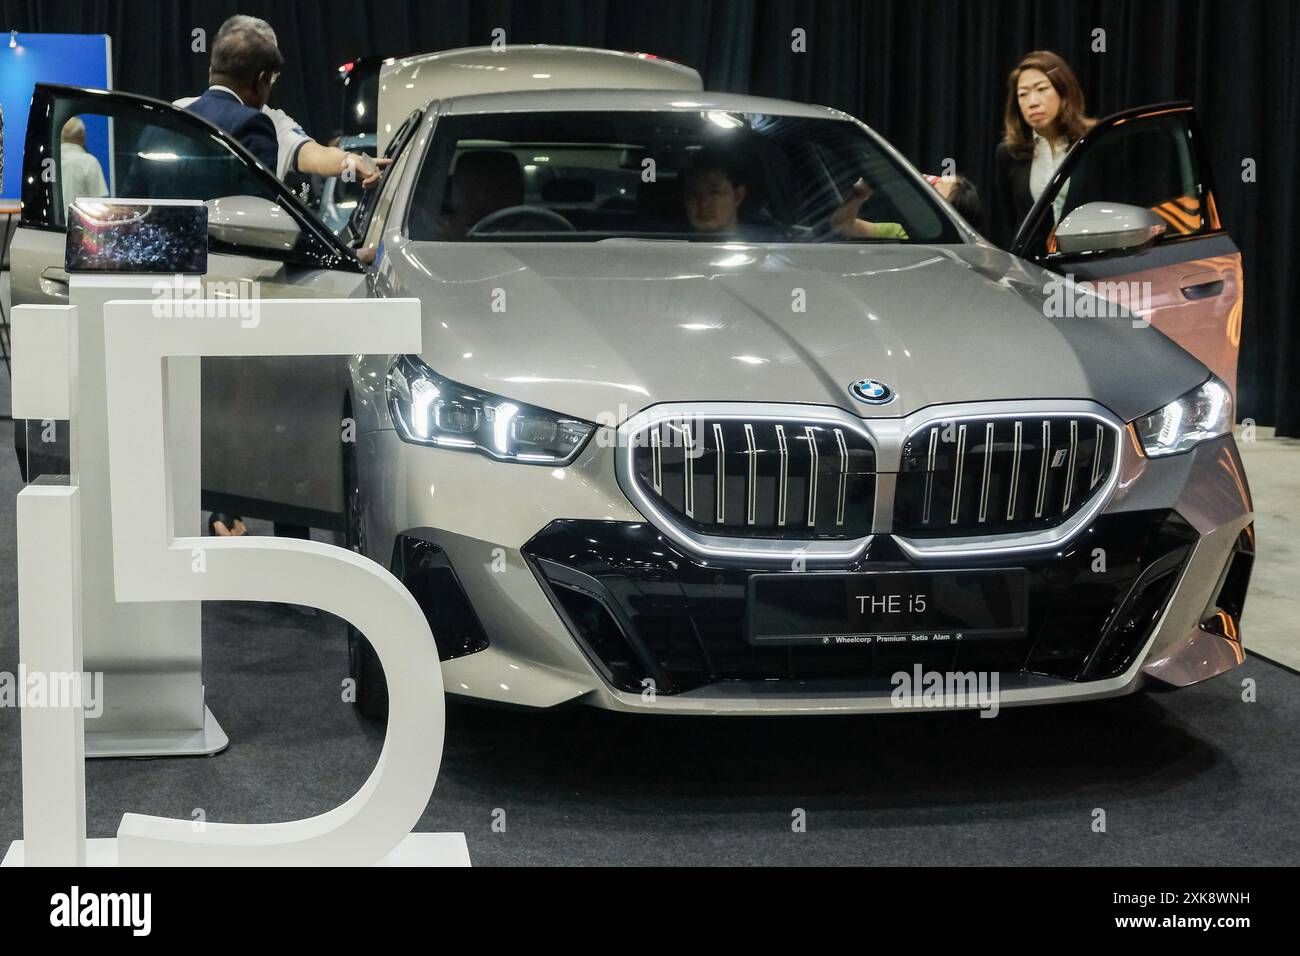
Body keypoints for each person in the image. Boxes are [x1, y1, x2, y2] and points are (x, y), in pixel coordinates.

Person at [177, 16, 384, 190]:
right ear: (263, 78)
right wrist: (356, 163)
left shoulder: (177, 112)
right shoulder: (260, 123)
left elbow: (316, 154)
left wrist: (353, 161)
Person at [992, 50, 1094, 248]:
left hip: (1090, 264)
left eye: (1041, 89)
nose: (1033, 102)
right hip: (1034, 270)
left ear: (1063, 91)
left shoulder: (1093, 142)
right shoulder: (1008, 153)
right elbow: (1010, 221)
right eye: (1023, 94)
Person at [184, 25, 282, 171]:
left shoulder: (165, 124)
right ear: (262, 80)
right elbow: (259, 193)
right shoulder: (252, 125)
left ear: (211, 73)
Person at [830, 173, 982, 239]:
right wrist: (859, 193)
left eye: (934, 188)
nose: (928, 181)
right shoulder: (901, 232)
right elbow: (843, 225)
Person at [59, 117, 108, 208]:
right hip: (79, 221)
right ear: (83, 137)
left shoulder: (50, 161)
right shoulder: (89, 162)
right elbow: (100, 202)